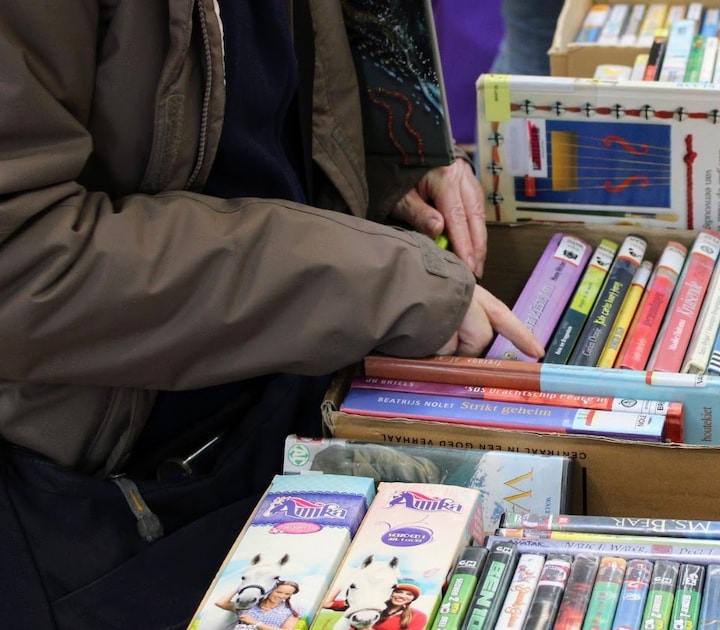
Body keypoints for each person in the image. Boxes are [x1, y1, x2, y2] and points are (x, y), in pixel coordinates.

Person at [0, 2, 541, 628]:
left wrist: (396, 154)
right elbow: (21, 259)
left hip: (299, 393)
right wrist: (375, 278)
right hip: (126, 499)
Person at [215, 581, 303, 630]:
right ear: (270, 590)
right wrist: (240, 587)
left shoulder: (292, 611)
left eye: (287, 594)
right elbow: (221, 603)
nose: (281, 596)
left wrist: (255, 623)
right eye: (278, 592)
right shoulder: (250, 605)